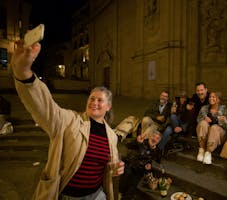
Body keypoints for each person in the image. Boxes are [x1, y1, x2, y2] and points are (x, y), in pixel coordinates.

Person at [10, 41, 124, 200]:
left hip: (97, 195)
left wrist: (115, 169)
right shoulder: (69, 120)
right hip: (67, 196)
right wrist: (23, 73)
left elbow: (107, 169)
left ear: (108, 106)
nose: (94, 102)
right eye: (91, 98)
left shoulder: (111, 136)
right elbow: (45, 107)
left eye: (99, 100)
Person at [119, 130, 162, 200]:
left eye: (157, 138)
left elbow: (156, 162)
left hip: (140, 171)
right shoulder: (142, 141)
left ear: (159, 141)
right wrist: (136, 141)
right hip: (130, 167)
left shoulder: (157, 150)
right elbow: (127, 145)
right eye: (153, 136)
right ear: (150, 136)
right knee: (125, 185)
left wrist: (150, 166)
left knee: (131, 190)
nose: (154, 139)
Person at [196, 91, 227, 164]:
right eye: (210, 97)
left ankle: (208, 152)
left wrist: (221, 120)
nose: (211, 98)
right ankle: (201, 149)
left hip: (218, 133)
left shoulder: (224, 109)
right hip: (206, 132)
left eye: (214, 97)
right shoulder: (204, 108)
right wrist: (204, 119)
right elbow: (198, 120)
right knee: (203, 123)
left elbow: (226, 126)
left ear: (218, 99)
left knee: (214, 127)